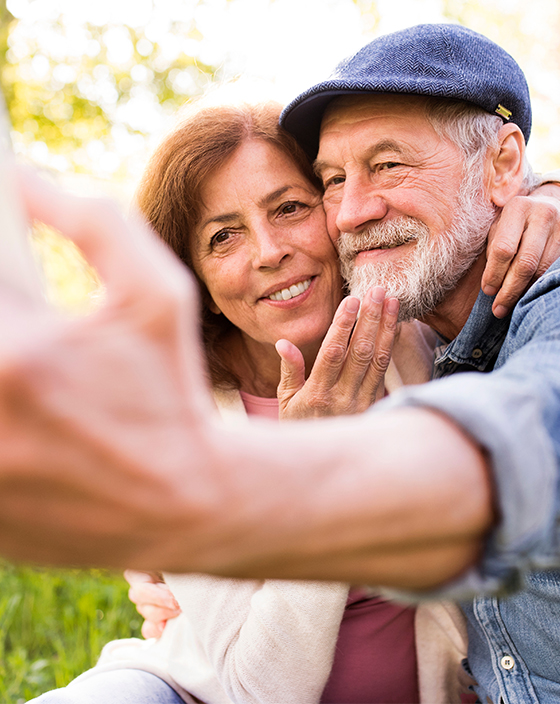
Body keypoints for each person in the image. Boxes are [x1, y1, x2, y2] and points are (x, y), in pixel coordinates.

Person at [29, 99, 466, 704]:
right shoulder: (175, 422)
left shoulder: (418, 336)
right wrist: (317, 466)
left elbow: (489, 196)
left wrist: (548, 197)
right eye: (223, 236)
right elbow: (262, 691)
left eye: (289, 208)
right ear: (197, 282)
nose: (268, 251)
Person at [277, 22, 560, 703]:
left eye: (388, 165)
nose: (349, 212)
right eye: (331, 179)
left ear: (499, 166)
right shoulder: (413, 338)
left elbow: (536, 407)